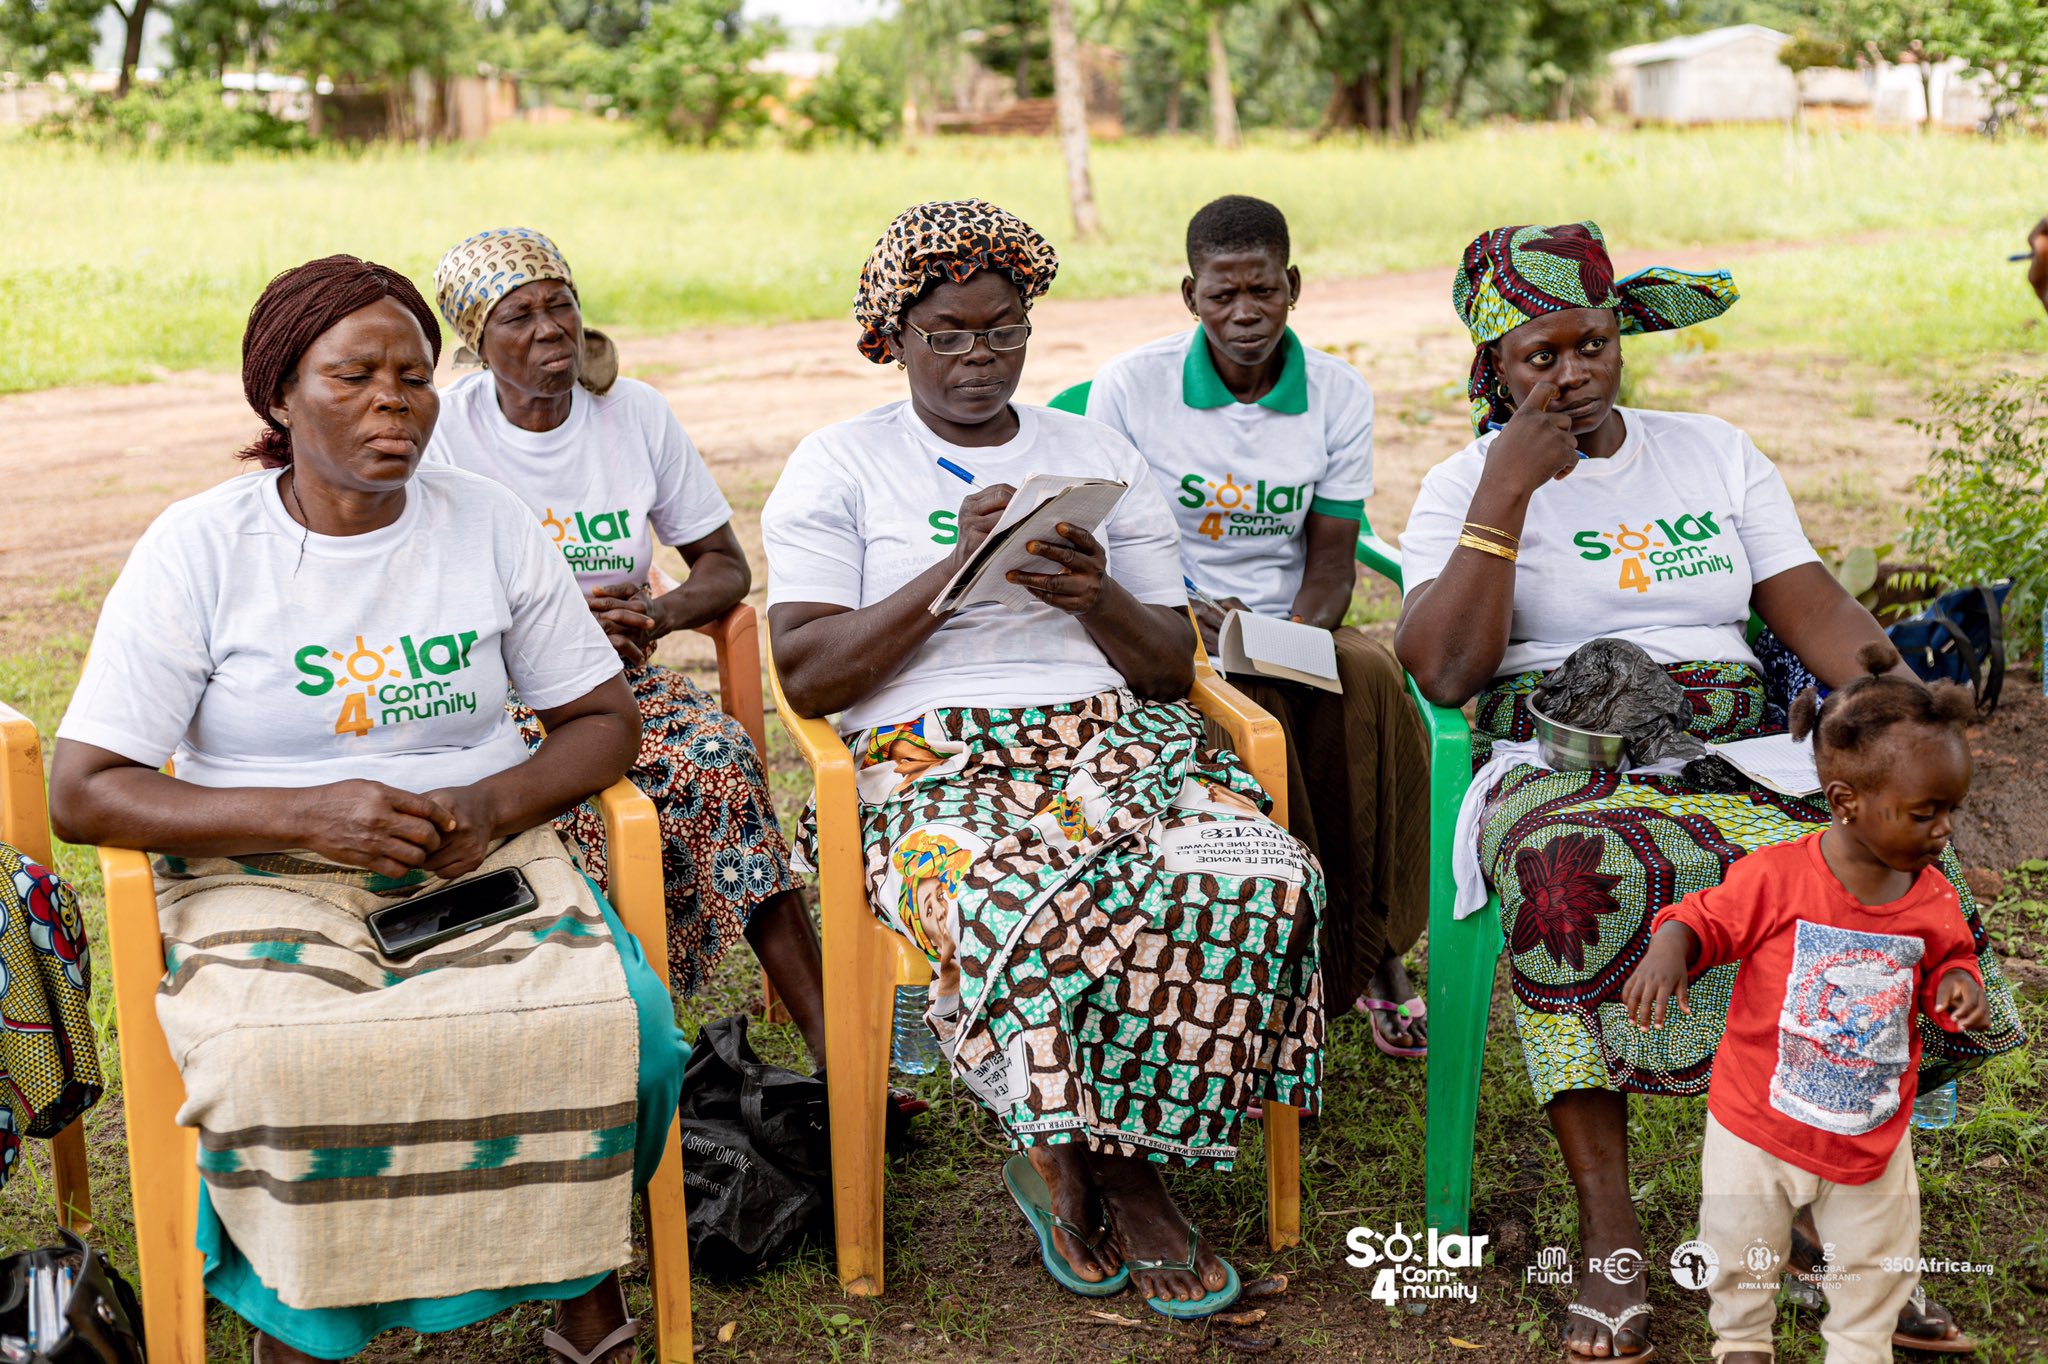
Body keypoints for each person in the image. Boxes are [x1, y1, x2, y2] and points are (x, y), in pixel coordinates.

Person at [1393, 221, 2022, 1360]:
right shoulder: (1461, 483)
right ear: (1495, 369)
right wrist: (1503, 493)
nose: (1571, 371)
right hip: (1567, 761)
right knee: (1564, 881)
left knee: (1879, 877)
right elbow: (1441, 669)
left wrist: (1894, 709)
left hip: (1740, 744)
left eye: (1590, 342)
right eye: (1539, 356)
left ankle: (1833, 1210)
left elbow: (1816, 610)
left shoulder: (1711, 450)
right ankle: (1610, 1235)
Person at [49, 255, 687, 1364]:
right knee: (277, 1063)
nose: (393, 400)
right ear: (279, 396)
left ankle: (576, 1278)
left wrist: (489, 801)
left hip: (475, 858)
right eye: (353, 376)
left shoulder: (484, 522)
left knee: (623, 1034)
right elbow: (85, 785)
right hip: (262, 869)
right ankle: (305, 1318)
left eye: (413, 377)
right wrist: (305, 815)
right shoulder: (200, 549)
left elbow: (602, 719)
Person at [761, 199, 1325, 1319]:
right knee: (1014, 900)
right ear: (891, 335)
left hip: (1115, 732)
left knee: (1266, 871)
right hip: (929, 755)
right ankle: (1121, 1172)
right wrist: (953, 571)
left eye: (1002, 329)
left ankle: (1076, 1145)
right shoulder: (838, 464)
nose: (978, 357)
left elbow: (1169, 665)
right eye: (947, 334)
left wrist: (1091, 590)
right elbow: (810, 674)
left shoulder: (1096, 454)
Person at [424, 227, 826, 1062]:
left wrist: (659, 615)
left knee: (719, 759)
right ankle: (619, 1029)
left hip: (621, 686)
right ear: (475, 339)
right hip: (495, 691)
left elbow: (723, 565)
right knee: (577, 808)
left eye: (559, 305)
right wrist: (546, 633)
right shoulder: (448, 433)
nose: (548, 330)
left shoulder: (632, 413)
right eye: (518, 316)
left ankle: (832, 1040)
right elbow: (411, 589)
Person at [1086, 194, 1428, 1058]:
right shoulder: (1133, 386)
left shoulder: (1338, 395)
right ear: (1189, 296)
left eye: (1263, 292)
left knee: (1371, 680)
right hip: (1162, 623)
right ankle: (1299, 962)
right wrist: (1188, 615)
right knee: (1258, 702)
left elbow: (1331, 562)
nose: (1245, 314)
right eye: (1221, 295)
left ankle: (1376, 944)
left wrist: (1298, 637)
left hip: (1285, 619)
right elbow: (1105, 535)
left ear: (1293, 286)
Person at [1624, 643, 1988, 1364]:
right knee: (1739, 1249)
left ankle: (1860, 1344)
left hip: (1871, 1135)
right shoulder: (1778, 877)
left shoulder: (1933, 896)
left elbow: (1952, 959)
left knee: (1875, 1267)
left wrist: (1960, 986)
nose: (1944, 829)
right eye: (1924, 812)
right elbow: (1708, 918)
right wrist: (1672, 946)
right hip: (1756, 1126)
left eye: (1951, 809)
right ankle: (1742, 1344)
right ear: (1847, 803)